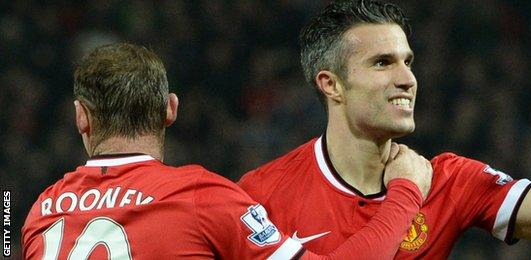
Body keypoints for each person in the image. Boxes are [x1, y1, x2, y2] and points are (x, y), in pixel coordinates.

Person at [238, 0, 531, 258]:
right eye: (383, 63)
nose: (407, 78)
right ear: (331, 84)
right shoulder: (261, 197)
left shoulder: (449, 181)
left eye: (408, 61)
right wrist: (405, 193)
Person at [21, 43, 432, 259]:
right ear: (170, 109)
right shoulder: (203, 197)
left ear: (81, 117)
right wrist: (405, 192)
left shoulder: (36, 212)